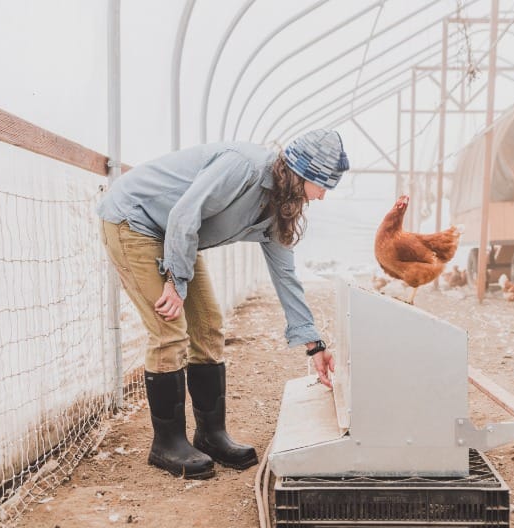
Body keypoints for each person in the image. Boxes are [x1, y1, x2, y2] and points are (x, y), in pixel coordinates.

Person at [96, 129, 349, 479]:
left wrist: (314, 345)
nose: (321, 197)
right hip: (134, 222)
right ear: (303, 174)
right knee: (169, 328)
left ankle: (211, 435)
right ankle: (167, 444)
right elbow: (185, 212)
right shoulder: (242, 166)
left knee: (208, 326)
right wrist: (175, 281)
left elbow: (286, 276)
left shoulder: (280, 207)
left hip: (179, 235)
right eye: (322, 185)